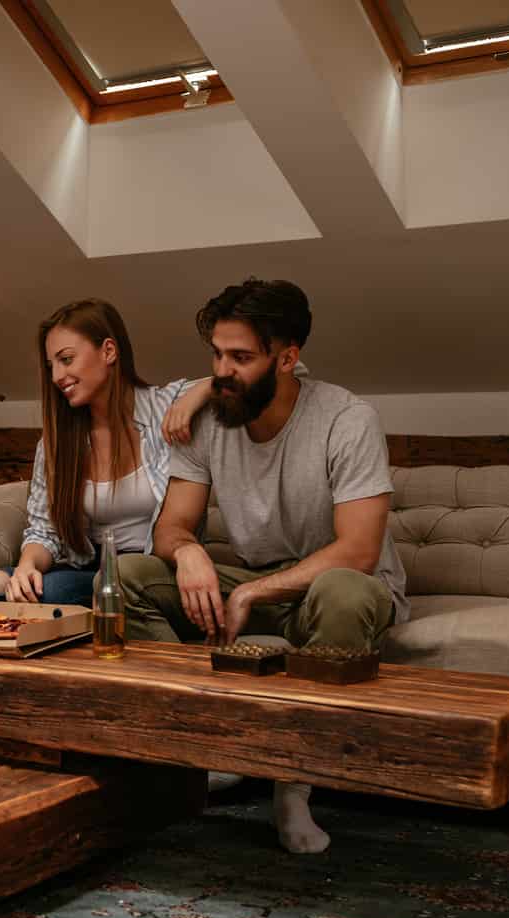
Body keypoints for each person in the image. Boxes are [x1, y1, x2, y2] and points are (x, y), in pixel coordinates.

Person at [120, 278, 408, 855]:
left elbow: (358, 551)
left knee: (344, 592)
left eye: (241, 358)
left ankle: (292, 785)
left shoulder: (346, 418)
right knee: (129, 579)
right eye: (217, 356)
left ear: (288, 358)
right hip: (257, 582)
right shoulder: (207, 419)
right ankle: (203, 748)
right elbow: (169, 530)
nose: (223, 371)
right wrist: (192, 551)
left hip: (337, 587)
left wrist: (251, 596)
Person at [0, 298, 304, 606]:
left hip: (149, 574)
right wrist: (27, 566)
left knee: (60, 591)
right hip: (87, 571)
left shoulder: (167, 406)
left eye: (66, 359)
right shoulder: (58, 441)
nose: (57, 376)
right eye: (51, 365)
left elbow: (288, 375)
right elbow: (44, 532)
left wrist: (204, 389)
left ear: (109, 351)